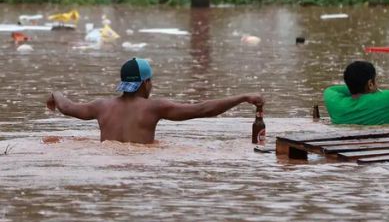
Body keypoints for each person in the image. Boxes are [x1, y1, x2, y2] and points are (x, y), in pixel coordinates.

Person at [46, 58, 264, 144]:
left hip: (107, 162)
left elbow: (66, 107)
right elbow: (203, 109)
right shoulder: (154, 108)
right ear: (144, 83)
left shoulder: (101, 106)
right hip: (142, 166)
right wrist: (243, 97)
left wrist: (55, 94)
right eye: (150, 81)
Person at [323, 61, 389, 125]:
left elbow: (331, 89)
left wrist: (354, 87)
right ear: (370, 84)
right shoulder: (388, 99)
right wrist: (378, 92)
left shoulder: (334, 103)